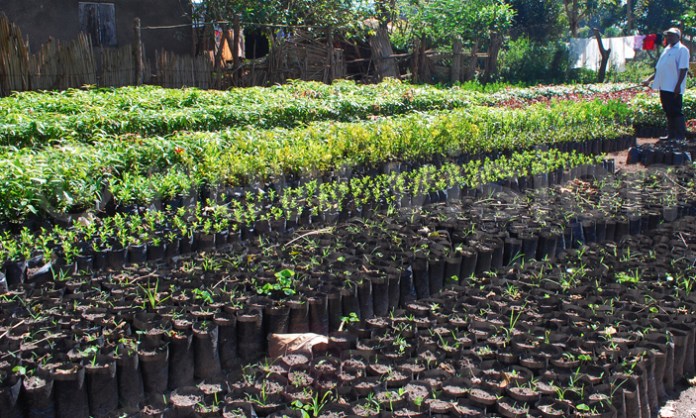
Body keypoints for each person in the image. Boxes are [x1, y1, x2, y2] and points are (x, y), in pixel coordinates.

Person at [642, 27, 690, 141]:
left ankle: (679, 135)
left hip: (674, 87)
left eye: (671, 35)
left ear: (678, 37)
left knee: (676, 111)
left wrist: (678, 86)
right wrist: (648, 79)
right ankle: (671, 135)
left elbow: (683, 69)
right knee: (668, 110)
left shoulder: (682, 50)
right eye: (667, 35)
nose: (669, 37)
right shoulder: (667, 49)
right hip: (664, 86)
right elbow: (659, 68)